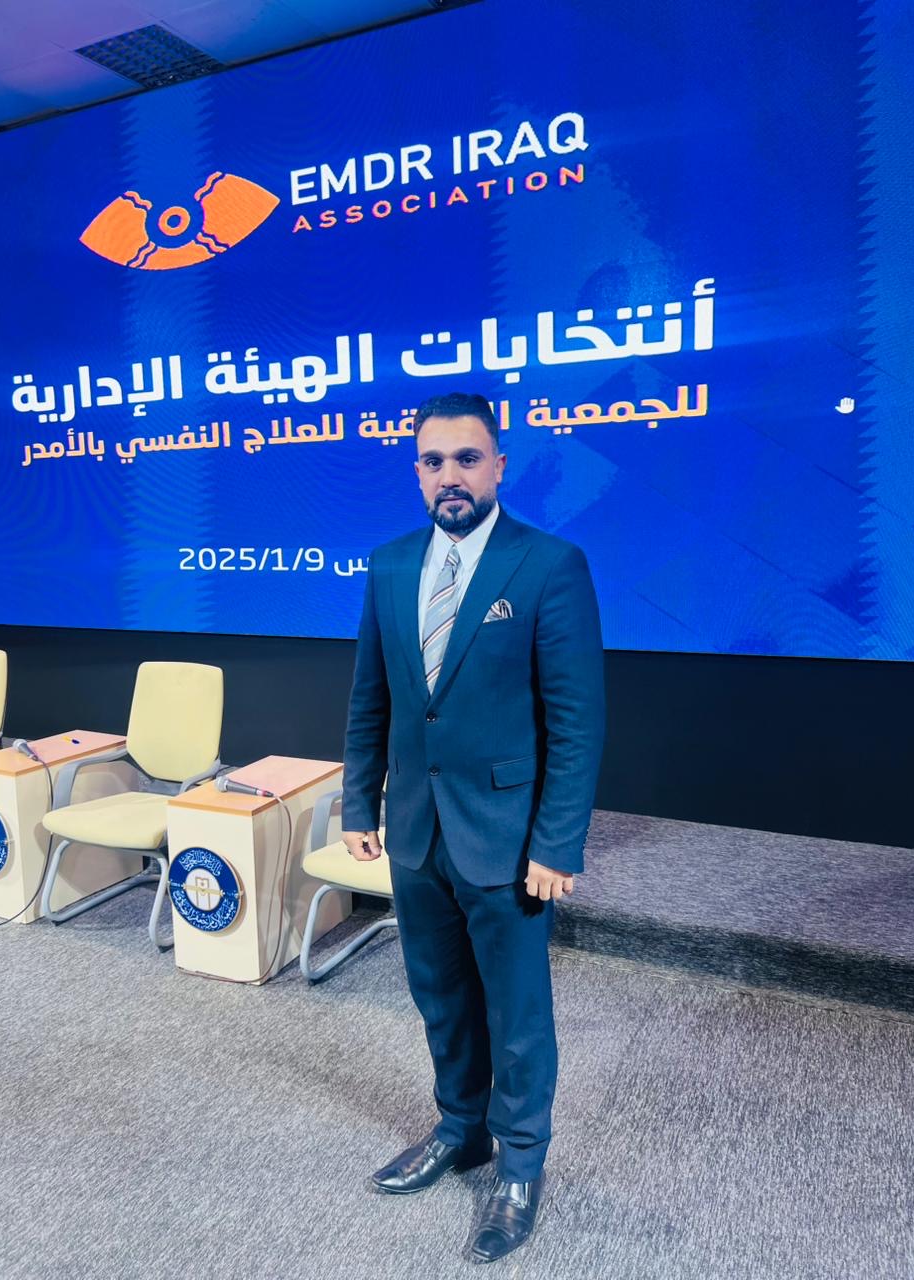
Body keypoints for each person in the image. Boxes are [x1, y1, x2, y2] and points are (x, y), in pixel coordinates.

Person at [341, 391, 604, 1264]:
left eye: (466, 458)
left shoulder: (549, 564)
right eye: (432, 461)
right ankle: (461, 1129)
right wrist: (359, 803)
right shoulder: (389, 565)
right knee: (441, 995)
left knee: (517, 1012)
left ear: (499, 465)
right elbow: (371, 699)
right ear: (416, 472)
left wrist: (557, 842)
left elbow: (576, 722)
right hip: (416, 832)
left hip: (507, 838)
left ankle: (521, 1165)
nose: (448, 475)